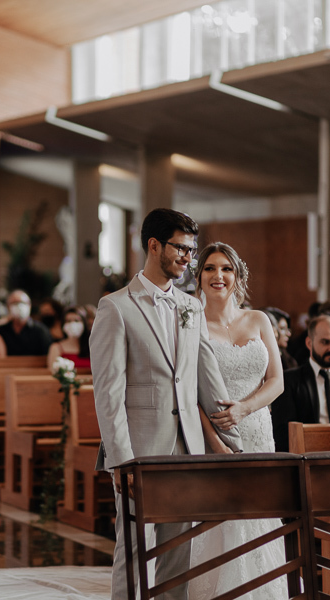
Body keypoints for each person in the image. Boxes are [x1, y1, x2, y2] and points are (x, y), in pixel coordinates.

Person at [90, 208, 241, 600]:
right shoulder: (116, 308)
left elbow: (206, 379)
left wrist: (233, 437)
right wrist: (122, 461)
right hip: (138, 450)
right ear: (154, 245)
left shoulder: (192, 308)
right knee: (134, 549)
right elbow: (108, 394)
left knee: (179, 552)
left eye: (192, 251)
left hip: (186, 447)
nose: (188, 259)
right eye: (181, 249)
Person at [188, 242, 285, 599]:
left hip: (259, 432)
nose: (219, 275)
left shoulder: (258, 320)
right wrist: (214, 440)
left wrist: (244, 408)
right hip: (215, 436)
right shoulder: (190, 321)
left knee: (259, 519)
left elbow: (277, 380)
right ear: (199, 277)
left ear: (237, 276)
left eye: (226, 268)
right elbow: (185, 391)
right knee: (221, 523)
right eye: (210, 268)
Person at [270, 315, 330, 452]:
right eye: (325, 342)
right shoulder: (289, 381)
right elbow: (282, 433)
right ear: (309, 343)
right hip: (308, 459)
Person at [0, 290, 51, 356]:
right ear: (8, 307)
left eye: (22, 303)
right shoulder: (1, 331)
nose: (19, 306)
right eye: (15, 303)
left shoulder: (41, 331)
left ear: (29, 305)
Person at [46, 306, 90, 370]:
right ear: (63, 325)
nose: (73, 324)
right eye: (68, 321)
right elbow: (52, 373)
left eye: (76, 320)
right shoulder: (56, 347)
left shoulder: (91, 347)